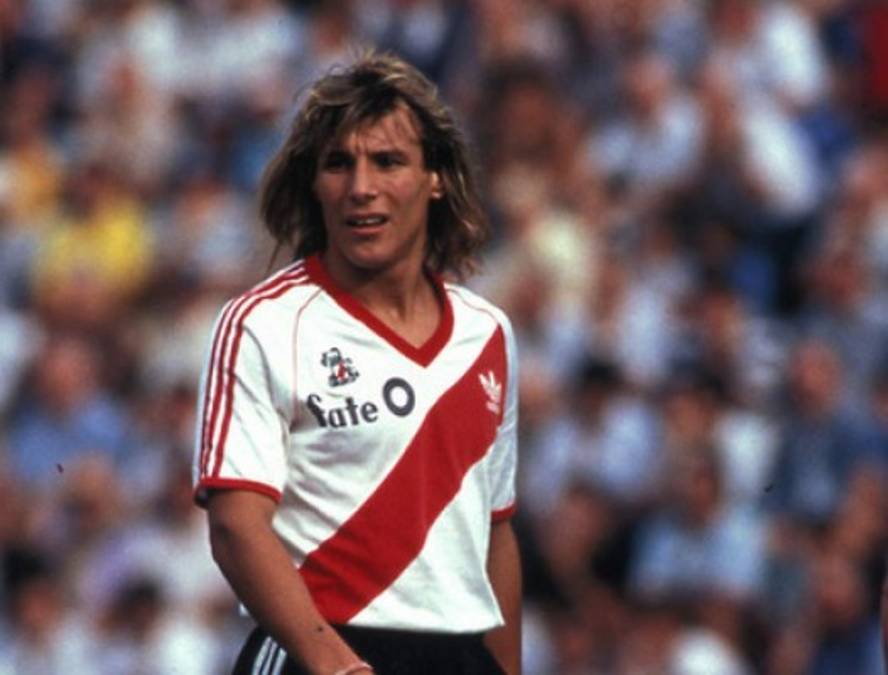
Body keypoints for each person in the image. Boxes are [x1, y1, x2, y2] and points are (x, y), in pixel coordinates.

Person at [192, 51, 521, 675]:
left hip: (457, 656)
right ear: (314, 184)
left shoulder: (487, 334)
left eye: (387, 161)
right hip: (316, 650)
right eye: (338, 163)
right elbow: (236, 526)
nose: (360, 187)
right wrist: (334, 664)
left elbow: (494, 532)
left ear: (436, 177)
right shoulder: (264, 324)